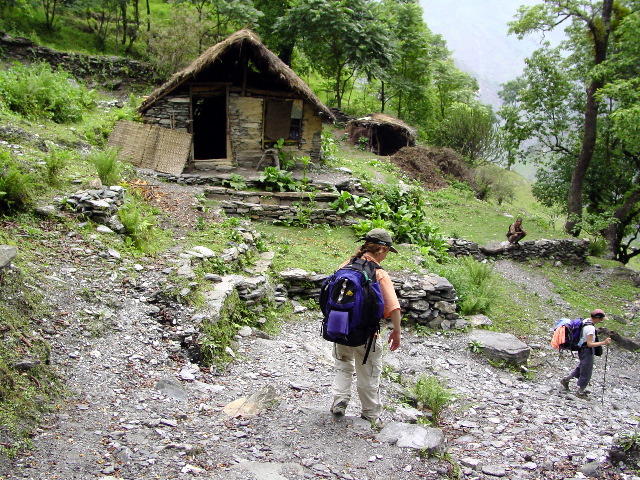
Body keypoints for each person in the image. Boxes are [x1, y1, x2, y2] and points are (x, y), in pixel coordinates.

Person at [330, 228, 402, 423]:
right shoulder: (378, 273)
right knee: (368, 373)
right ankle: (370, 414)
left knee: (343, 366)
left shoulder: (346, 265)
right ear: (382, 249)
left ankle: (339, 401)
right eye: (387, 251)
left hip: (341, 328)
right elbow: (394, 307)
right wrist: (396, 331)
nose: (387, 256)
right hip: (367, 335)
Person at [560, 309, 612, 398]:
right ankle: (580, 391)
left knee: (581, 367)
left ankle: (566, 380)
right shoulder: (590, 328)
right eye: (601, 319)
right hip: (587, 350)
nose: (601, 321)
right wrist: (603, 343)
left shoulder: (586, 321)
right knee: (586, 371)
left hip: (581, 349)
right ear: (597, 318)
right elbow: (590, 343)